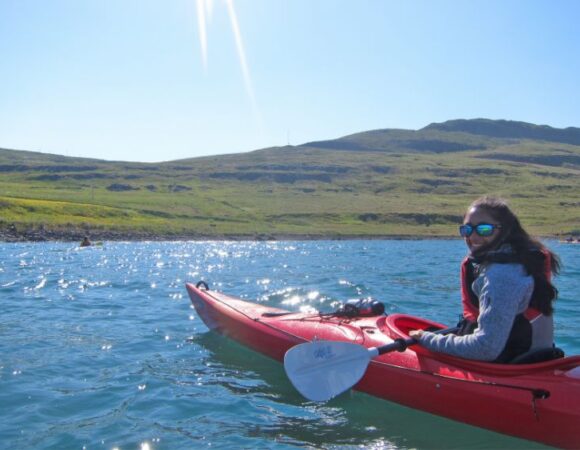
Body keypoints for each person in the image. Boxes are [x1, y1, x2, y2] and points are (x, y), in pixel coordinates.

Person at [409, 196, 561, 362]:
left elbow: (485, 348)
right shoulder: (520, 259)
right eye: (467, 230)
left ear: (505, 230)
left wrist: (427, 339)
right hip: (530, 356)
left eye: (484, 229)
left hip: (509, 365)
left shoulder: (503, 275)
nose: (473, 237)